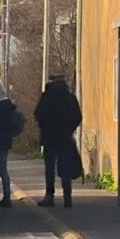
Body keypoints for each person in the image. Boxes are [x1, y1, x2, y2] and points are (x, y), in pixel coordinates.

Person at [33, 74, 82, 208]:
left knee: (50, 169)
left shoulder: (47, 97)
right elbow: (78, 117)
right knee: (65, 169)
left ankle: (50, 196)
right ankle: (67, 197)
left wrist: (45, 126)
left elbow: (38, 114)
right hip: (65, 138)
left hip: (49, 137)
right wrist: (69, 129)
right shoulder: (70, 98)